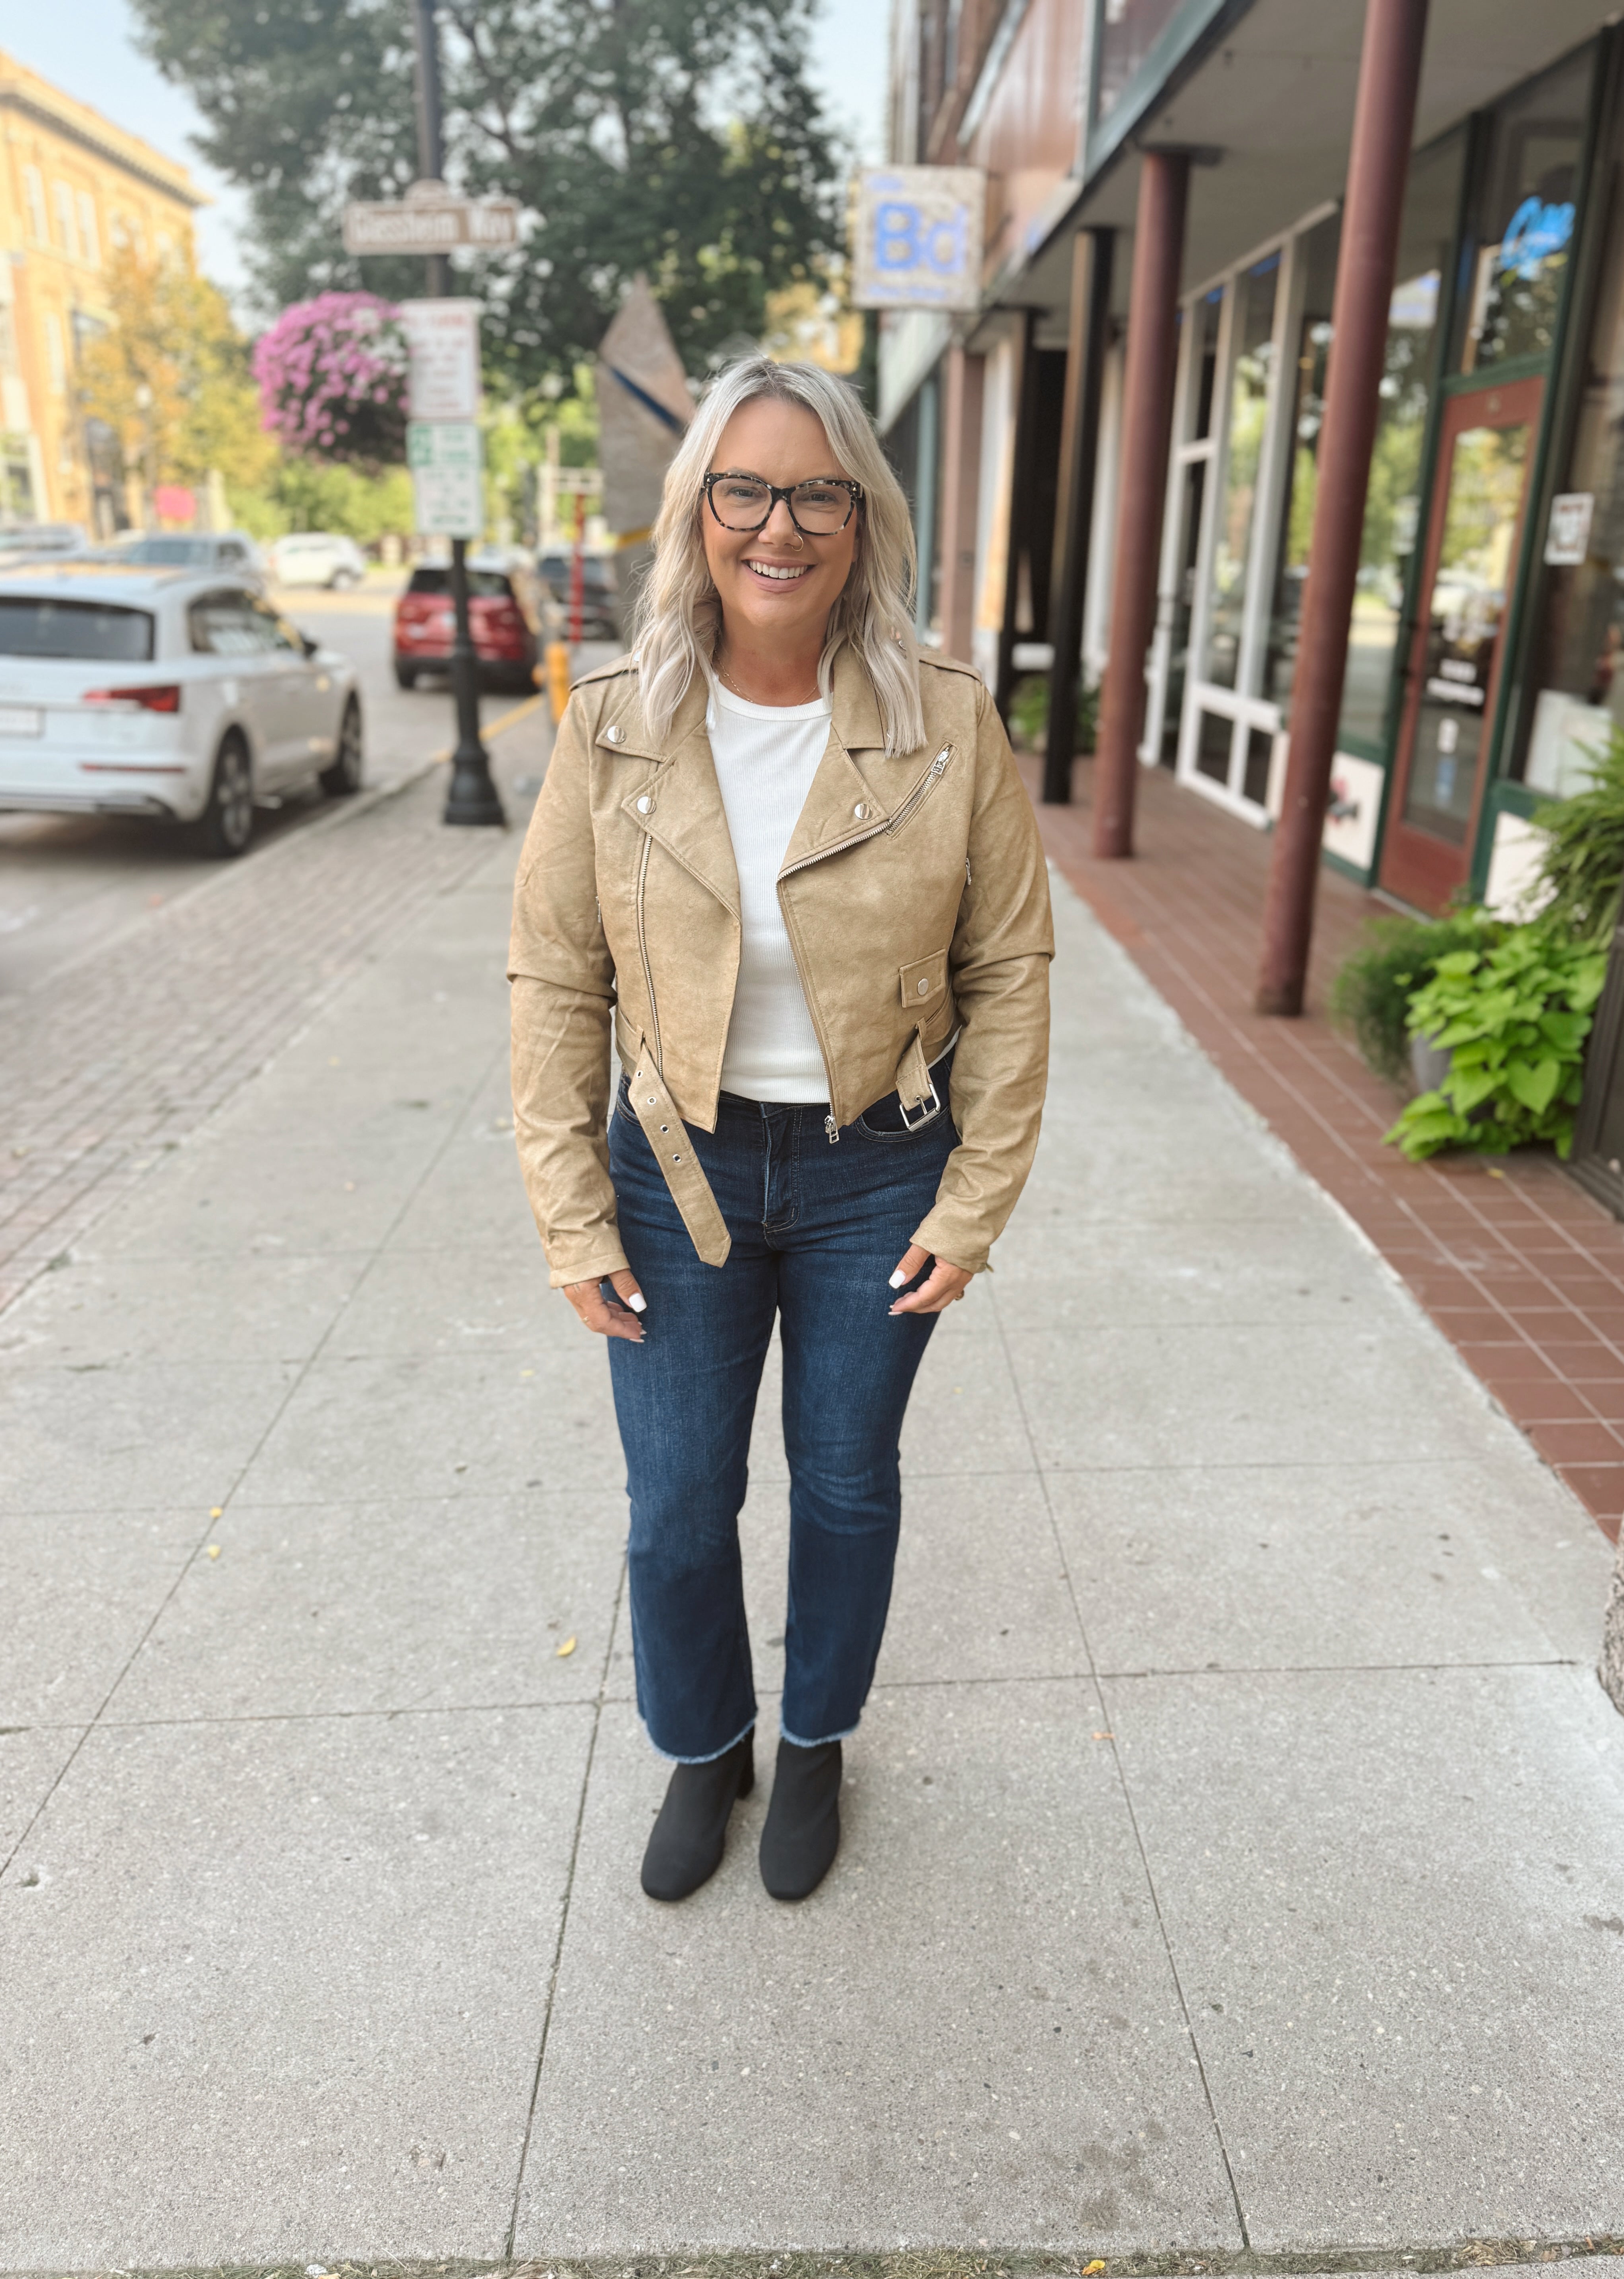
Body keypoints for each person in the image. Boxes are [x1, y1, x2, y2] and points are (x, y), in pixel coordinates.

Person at [509, 355, 1052, 1905]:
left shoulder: (943, 722)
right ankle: (708, 1745)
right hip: (673, 1167)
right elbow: (555, 971)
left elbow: (1008, 967)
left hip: (878, 1169)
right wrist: (567, 1202)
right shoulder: (613, 725)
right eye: (743, 489)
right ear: (697, 515)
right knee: (679, 1504)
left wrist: (979, 1196)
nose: (779, 524)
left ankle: (814, 1738)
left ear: (862, 517)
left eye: (817, 491)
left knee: (846, 1482)